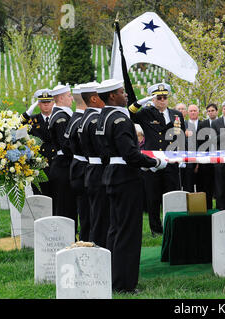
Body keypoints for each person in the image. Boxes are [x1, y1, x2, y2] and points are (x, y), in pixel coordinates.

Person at [95, 79, 167, 293]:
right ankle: (124, 284)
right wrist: (155, 162)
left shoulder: (103, 117)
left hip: (112, 174)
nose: (126, 95)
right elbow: (131, 155)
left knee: (115, 230)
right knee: (128, 233)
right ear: (111, 97)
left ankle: (114, 277)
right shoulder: (120, 119)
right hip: (126, 178)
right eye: (121, 92)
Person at [128, 83, 186, 236]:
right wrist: (140, 102)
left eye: (165, 97)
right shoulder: (146, 113)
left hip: (171, 160)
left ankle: (172, 225)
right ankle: (156, 229)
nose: (162, 100)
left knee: (172, 194)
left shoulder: (176, 115)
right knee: (153, 197)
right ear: (153, 99)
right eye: (158, 98)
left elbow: (181, 136)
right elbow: (129, 114)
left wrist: (181, 156)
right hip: (152, 162)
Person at [77, 81, 110, 248]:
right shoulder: (96, 119)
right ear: (95, 99)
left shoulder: (86, 117)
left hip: (91, 169)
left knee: (95, 214)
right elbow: (103, 149)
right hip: (99, 171)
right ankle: (100, 250)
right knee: (100, 216)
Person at [48, 84, 78, 237]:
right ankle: (65, 238)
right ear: (60, 98)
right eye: (69, 96)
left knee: (69, 205)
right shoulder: (61, 117)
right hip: (63, 166)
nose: (72, 98)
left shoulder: (63, 114)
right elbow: (66, 145)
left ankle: (69, 236)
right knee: (65, 206)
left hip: (64, 164)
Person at [65, 85, 90, 242]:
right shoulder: (81, 121)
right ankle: (86, 241)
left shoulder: (75, 118)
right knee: (87, 212)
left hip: (77, 166)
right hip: (83, 169)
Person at [20, 88, 56, 197]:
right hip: (39, 166)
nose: (46, 105)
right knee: (40, 198)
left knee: (56, 199)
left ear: (53, 103)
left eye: (48, 102)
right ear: (38, 104)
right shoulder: (32, 120)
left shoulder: (58, 118)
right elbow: (16, 129)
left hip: (55, 164)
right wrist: (27, 113)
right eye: (42, 102)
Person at [197, 103, 219, 209]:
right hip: (207, 158)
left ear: (217, 111)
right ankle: (208, 206)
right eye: (209, 111)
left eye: (212, 110)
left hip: (219, 157)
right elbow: (199, 142)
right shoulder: (203, 124)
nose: (210, 113)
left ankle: (220, 206)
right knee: (207, 184)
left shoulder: (221, 123)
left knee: (219, 184)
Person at [182, 104, 201, 192]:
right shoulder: (183, 124)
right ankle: (187, 203)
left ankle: (201, 204)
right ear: (187, 112)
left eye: (195, 110)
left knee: (201, 184)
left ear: (198, 112)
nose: (193, 112)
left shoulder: (203, 124)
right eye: (191, 111)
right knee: (188, 184)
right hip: (187, 158)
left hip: (202, 158)